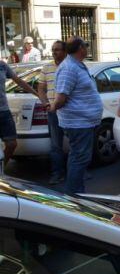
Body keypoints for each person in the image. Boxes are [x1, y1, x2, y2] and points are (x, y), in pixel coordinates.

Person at [50, 37, 102, 195]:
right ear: (80, 48)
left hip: (83, 122)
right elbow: (61, 98)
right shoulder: (69, 68)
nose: (87, 48)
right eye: (85, 46)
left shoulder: (76, 65)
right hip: (78, 123)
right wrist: (53, 107)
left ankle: (77, 193)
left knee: (79, 158)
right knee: (79, 158)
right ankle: (74, 196)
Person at [38, 40, 67, 184]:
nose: (54, 52)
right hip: (53, 112)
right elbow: (41, 88)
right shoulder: (47, 67)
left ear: (65, 51)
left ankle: (79, 170)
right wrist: (44, 102)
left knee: (75, 143)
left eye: (57, 49)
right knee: (56, 145)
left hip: (69, 112)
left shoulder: (70, 66)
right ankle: (57, 173)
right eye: (53, 49)